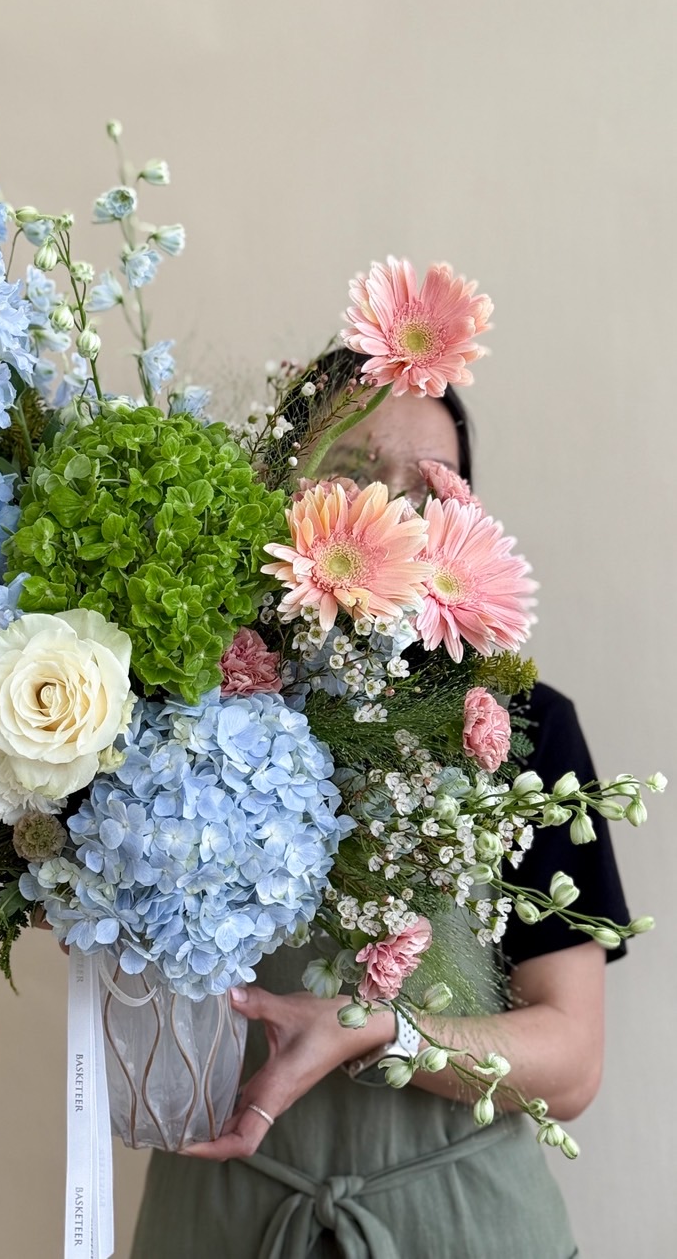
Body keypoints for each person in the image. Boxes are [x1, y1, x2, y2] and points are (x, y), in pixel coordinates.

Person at [128, 375, 630, 1259]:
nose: (387, 505)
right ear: (281, 489)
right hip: (219, 1219)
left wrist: (381, 1026)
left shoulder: (520, 725)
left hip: (463, 1226)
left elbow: (573, 1060)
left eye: (427, 483)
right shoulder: (174, 703)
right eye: (352, 468)